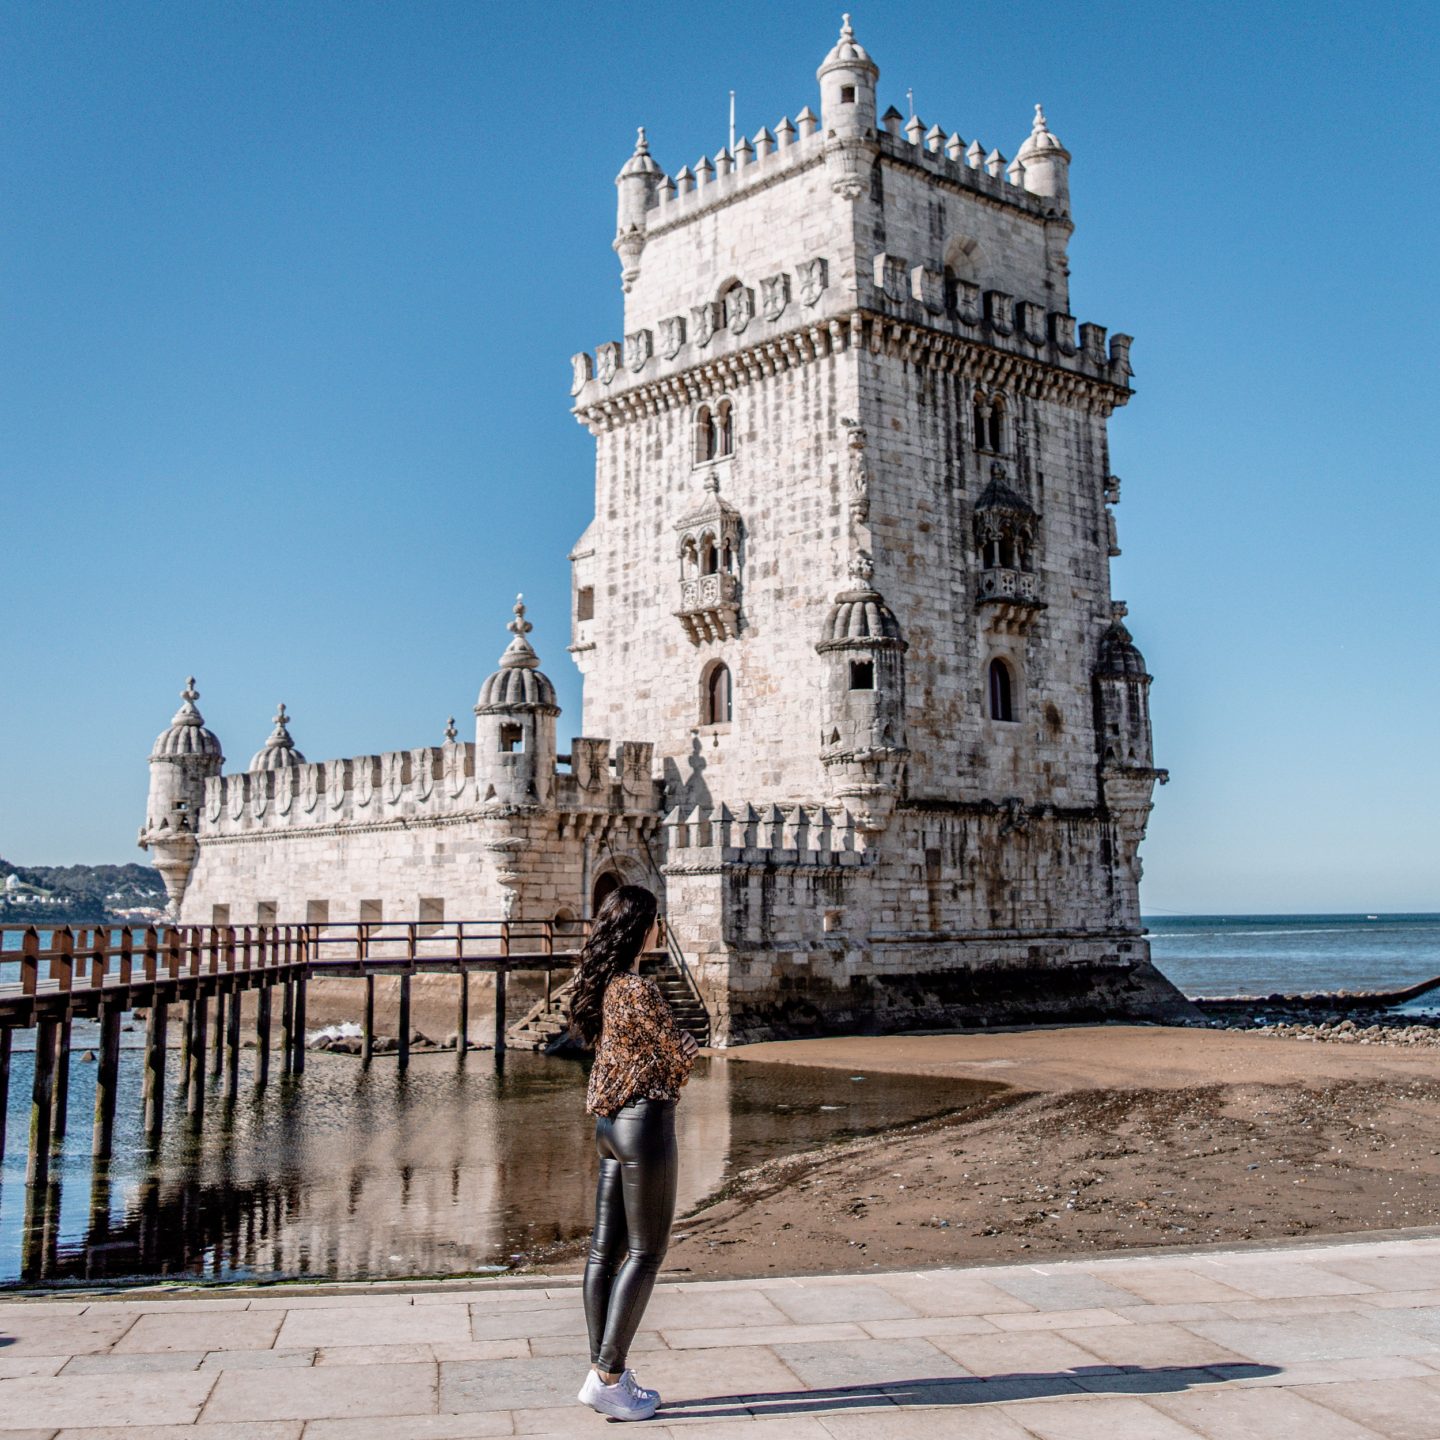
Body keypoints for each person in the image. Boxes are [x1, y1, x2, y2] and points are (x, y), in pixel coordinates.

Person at [569, 884, 700, 1422]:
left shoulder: (597, 986)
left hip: (607, 1126)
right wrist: (684, 1049)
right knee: (645, 1253)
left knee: (604, 1254)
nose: (659, 930)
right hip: (644, 1123)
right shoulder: (639, 991)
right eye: (655, 921)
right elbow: (680, 1058)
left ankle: (602, 1369)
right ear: (642, 928)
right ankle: (609, 1377)